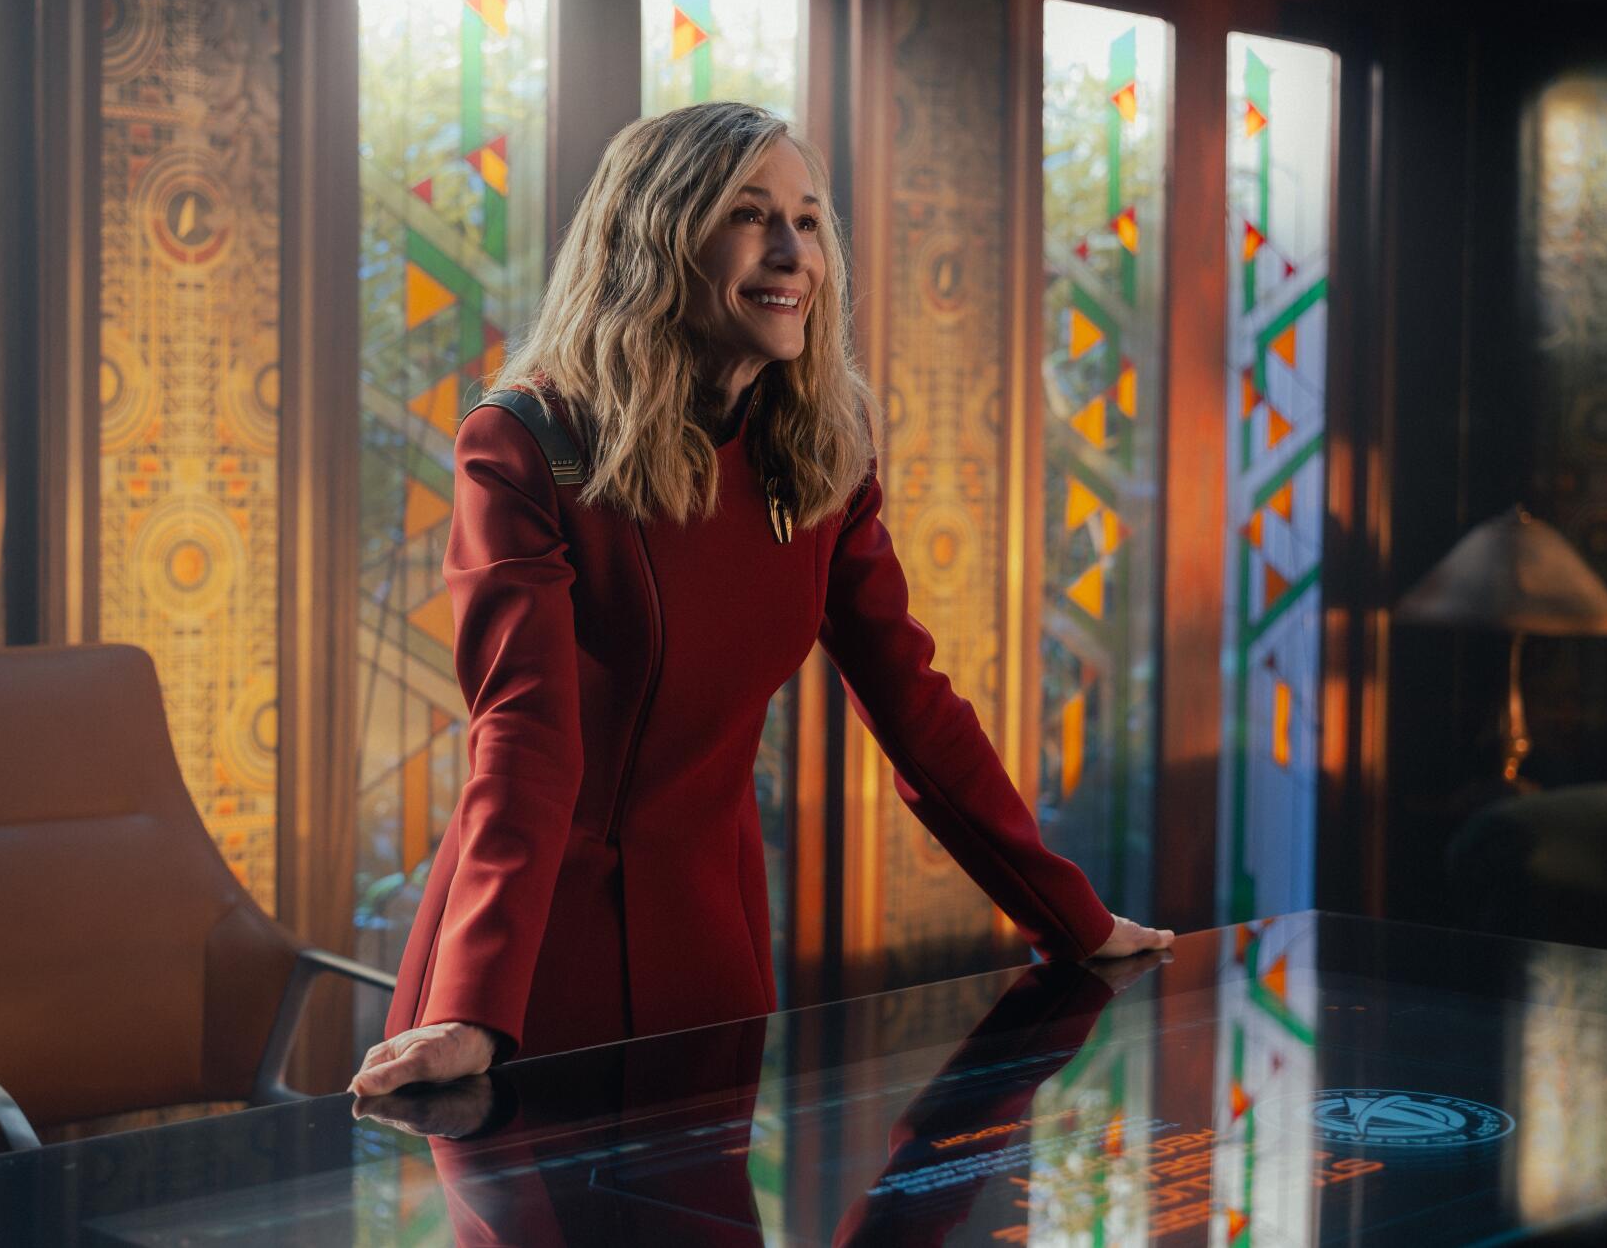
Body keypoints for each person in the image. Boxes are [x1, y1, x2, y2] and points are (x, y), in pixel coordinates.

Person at [351, 101, 1172, 1100]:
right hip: (525, 960)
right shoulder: (526, 443)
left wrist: (1072, 919)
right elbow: (525, 738)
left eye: (809, 221)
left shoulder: (822, 450)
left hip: (715, 947)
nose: (790, 251)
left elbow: (914, 706)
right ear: (654, 238)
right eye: (749, 215)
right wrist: (471, 1007)